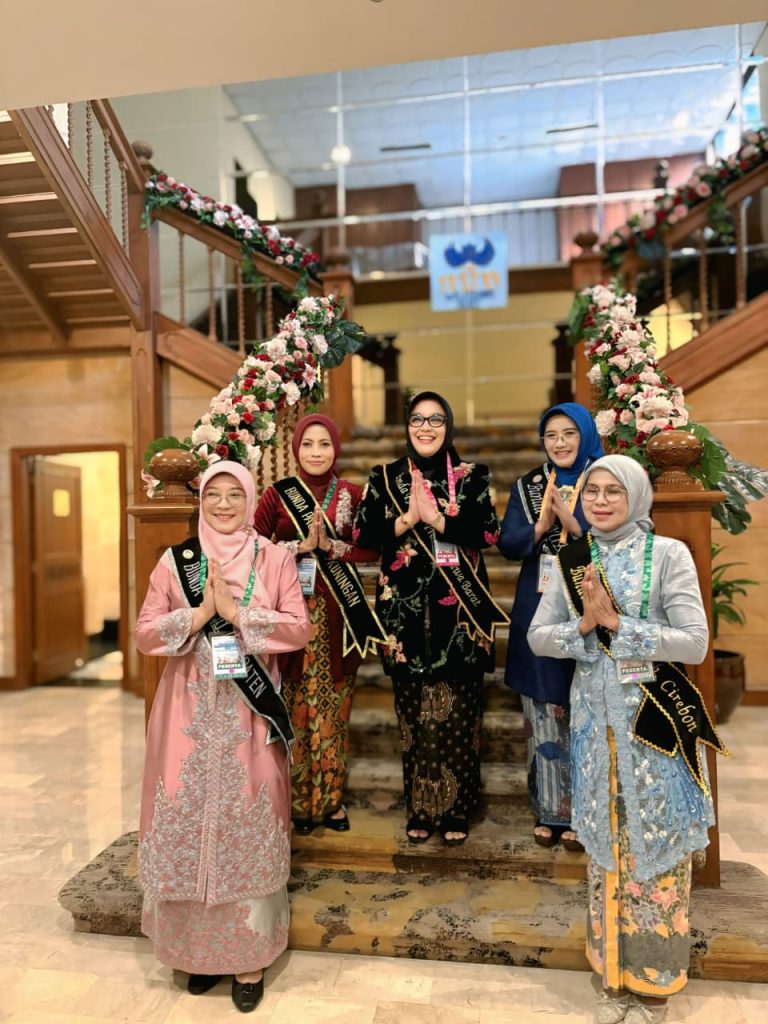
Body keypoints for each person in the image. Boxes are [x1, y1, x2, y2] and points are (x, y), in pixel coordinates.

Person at [528, 455, 727, 1024]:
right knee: (607, 849)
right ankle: (612, 972)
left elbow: (694, 642)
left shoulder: (668, 555)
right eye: (592, 491)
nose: (600, 500)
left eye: (614, 491)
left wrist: (620, 625)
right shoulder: (571, 559)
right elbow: (539, 637)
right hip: (595, 729)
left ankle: (653, 986)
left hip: (654, 730)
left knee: (654, 848)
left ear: (636, 495)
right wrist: (585, 627)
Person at [135, 461, 311, 1013]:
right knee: (186, 815)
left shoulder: (274, 558)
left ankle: (247, 957)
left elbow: (299, 627)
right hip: (185, 712)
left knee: (244, 817)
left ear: (250, 499)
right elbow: (144, 633)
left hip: (248, 715)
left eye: (236, 494)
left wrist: (238, 614)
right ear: (201, 501)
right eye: (214, 494)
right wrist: (199, 616)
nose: (224, 504)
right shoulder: (176, 561)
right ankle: (193, 951)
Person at [353, 392, 509, 846]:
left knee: (460, 717)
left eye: (435, 419)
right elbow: (363, 534)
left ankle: (457, 808)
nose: (426, 427)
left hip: (460, 617)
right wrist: (406, 521)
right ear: (407, 426)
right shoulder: (384, 477)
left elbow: (489, 532)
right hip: (402, 619)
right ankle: (420, 806)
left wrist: (438, 520)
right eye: (417, 419)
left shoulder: (473, 475)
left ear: (449, 425)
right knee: (412, 720)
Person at [253, 413, 387, 834]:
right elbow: (253, 548)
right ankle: (297, 804)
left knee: (334, 711)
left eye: (324, 444)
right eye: (308, 444)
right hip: (290, 616)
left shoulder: (352, 493)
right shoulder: (276, 496)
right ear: (296, 449)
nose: (316, 452)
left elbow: (374, 548)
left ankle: (330, 803)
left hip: (338, 616)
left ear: (335, 449)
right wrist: (298, 546)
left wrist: (332, 547)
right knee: (293, 707)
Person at [498, 402, 602, 850]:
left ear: (585, 435)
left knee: (587, 713)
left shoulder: (604, 479)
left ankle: (586, 813)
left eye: (569, 433)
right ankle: (550, 811)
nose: (559, 443)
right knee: (542, 712)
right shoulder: (529, 486)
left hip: (590, 606)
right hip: (538, 607)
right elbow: (507, 543)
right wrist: (540, 527)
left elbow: (623, 535)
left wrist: (575, 526)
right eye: (551, 435)